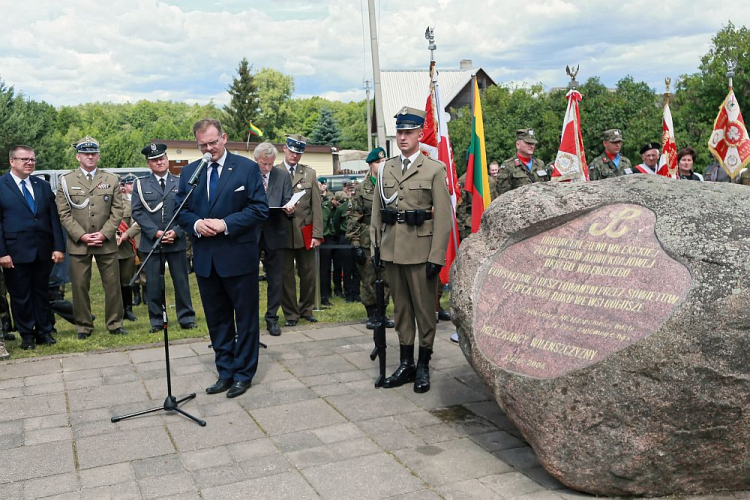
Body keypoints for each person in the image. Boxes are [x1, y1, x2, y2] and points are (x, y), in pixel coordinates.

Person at [176, 118, 268, 398]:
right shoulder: (191, 171)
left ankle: (243, 374)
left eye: (213, 142)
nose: (209, 149)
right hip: (207, 260)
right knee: (217, 320)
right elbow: (181, 209)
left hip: (238, 257)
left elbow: (259, 209)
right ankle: (225, 372)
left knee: (246, 319)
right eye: (202, 144)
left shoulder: (247, 168)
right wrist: (196, 224)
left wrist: (225, 224)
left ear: (224, 138)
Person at [370, 106, 451, 394]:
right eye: (399, 132)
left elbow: (443, 217)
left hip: (421, 250)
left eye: (408, 132)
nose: (402, 137)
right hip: (392, 249)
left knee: (424, 312)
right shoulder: (387, 168)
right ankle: (406, 364)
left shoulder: (434, 169)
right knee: (401, 310)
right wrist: (376, 246)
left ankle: (424, 364)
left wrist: (437, 256)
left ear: (419, 133)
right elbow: (377, 212)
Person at [56, 136, 127, 339]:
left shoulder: (111, 179)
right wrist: (83, 236)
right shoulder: (66, 181)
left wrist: (104, 234)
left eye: (93, 153)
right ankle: (83, 326)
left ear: (98, 155)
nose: (90, 156)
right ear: (78, 156)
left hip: (106, 242)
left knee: (112, 285)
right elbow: (63, 213)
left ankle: (115, 323)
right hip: (79, 243)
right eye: (86, 153)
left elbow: (118, 211)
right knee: (79, 286)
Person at [0, 145, 65, 353]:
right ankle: (27, 334)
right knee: (20, 295)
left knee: (41, 292)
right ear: (12, 161)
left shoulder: (42, 186)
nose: (30, 163)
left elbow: (52, 218)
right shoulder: (1, 185)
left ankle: (44, 331)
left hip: (42, 250)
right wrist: (2, 252)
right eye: (24, 159)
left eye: (32, 159)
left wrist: (58, 247)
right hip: (14, 251)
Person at [131, 143, 196, 333]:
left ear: (167, 160)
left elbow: (188, 209)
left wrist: (176, 231)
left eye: (161, 158)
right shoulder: (141, 184)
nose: (159, 162)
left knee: (181, 282)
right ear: (148, 163)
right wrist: (155, 232)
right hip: (152, 242)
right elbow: (137, 211)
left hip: (176, 240)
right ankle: (157, 321)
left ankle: (187, 318)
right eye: (154, 160)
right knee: (153, 284)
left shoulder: (180, 182)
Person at [347, 146, 394, 329]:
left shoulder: (391, 186)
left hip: (388, 238)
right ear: (370, 165)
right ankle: (371, 313)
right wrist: (356, 244)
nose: (381, 165)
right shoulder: (362, 188)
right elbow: (353, 217)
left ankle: (383, 313)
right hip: (368, 240)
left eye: (384, 161)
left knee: (387, 278)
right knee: (369, 278)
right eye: (377, 162)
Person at [279, 134, 323, 326]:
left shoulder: (309, 174)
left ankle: (306, 309)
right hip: (282, 233)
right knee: (285, 276)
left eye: (299, 152)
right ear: (284, 149)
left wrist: (317, 234)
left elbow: (316, 206)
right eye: (292, 151)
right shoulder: (275, 171)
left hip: (305, 231)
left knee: (308, 274)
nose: (295, 156)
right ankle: (290, 314)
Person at [254, 141, 292, 336]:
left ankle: (272, 318)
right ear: (256, 160)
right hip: (252, 234)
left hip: (275, 232)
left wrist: (289, 208)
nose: (267, 168)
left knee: (276, 279)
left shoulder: (283, 175)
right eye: (263, 164)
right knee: (248, 278)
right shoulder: (248, 174)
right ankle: (250, 318)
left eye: (270, 164)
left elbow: (288, 200)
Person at [497, 129, 551, 195]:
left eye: (533, 143)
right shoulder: (508, 166)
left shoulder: (540, 164)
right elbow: (503, 196)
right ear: (518, 145)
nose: (532, 146)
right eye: (528, 143)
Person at [116, 174, 140, 322]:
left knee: (126, 281)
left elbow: (137, 222)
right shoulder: (101, 205)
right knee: (112, 283)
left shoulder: (130, 204)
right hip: (107, 248)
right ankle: (115, 311)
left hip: (125, 248)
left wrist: (125, 235)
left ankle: (127, 309)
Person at [331, 190, 359, 302]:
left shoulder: (358, 206)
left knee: (356, 268)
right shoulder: (341, 208)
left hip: (356, 237)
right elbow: (336, 223)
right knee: (347, 268)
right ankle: (349, 294)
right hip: (345, 237)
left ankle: (356, 293)